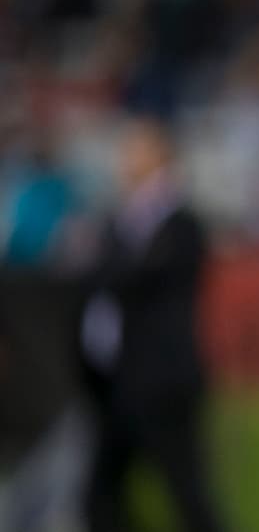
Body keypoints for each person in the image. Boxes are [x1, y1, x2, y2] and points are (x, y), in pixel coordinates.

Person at [79, 118, 224, 532]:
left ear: (160, 155)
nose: (124, 159)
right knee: (100, 495)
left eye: (135, 148)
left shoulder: (179, 223)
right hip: (118, 380)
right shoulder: (122, 219)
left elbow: (130, 276)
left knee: (188, 494)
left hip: (162, 380)